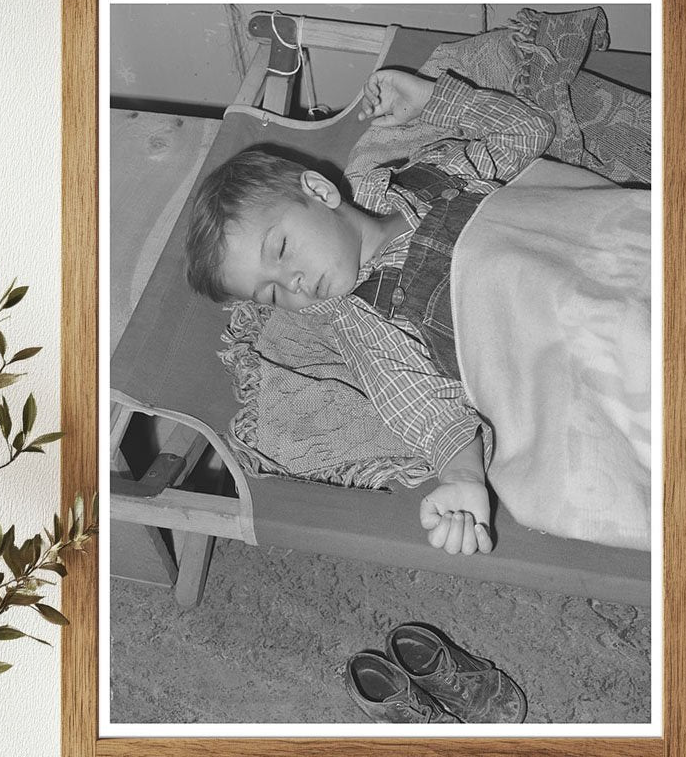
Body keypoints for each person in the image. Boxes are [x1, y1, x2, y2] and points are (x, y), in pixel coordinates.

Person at [185, 69, 553, 556]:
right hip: (554, 337)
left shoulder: (432, 176)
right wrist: (464, 477)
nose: (291, 283)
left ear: (319, 192)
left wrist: (434, 100)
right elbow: (422, 406)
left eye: (281, 249)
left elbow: (527, 131)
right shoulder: (361, 319)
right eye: (270, 295)